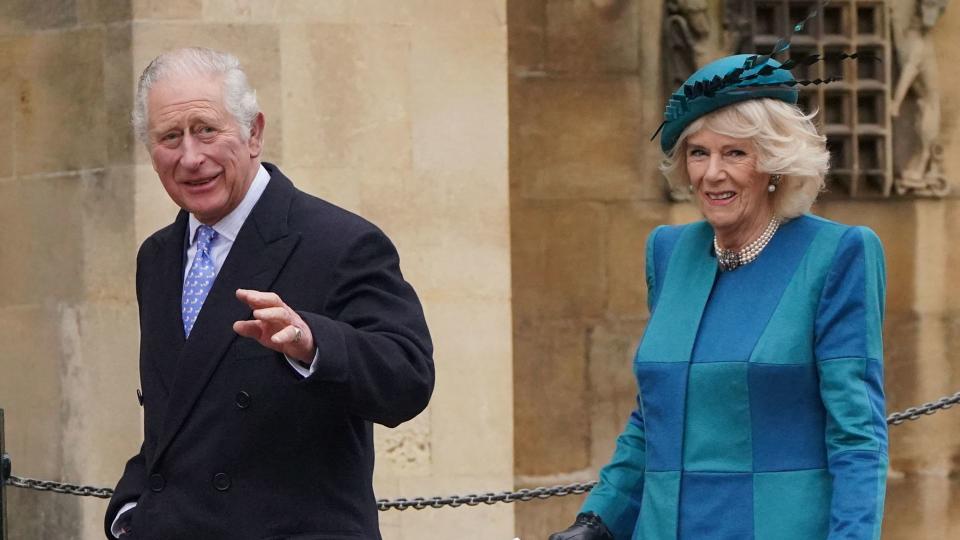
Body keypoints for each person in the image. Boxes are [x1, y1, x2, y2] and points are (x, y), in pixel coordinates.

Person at [550, 53, 888, 540]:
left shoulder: (837, 254)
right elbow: (654, 417)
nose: (712, 174)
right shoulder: (668, 252)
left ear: (774, 163)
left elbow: (858, 437)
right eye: (698, 153)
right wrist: (599, 520)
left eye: (735, 153)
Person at [104, 47, 435, 540]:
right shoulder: (157, 256)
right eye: (170, 137)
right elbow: (176, 422)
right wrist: (129, 511)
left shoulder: (339, 241)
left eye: (206, 130)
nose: (191, 157)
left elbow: (409, 377)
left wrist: (315, 344)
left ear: (254, 133)